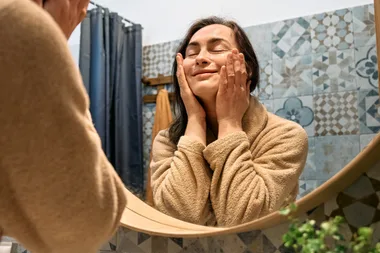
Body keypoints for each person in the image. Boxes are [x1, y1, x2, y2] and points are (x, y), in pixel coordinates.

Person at [150, 16, 309, 227]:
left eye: (217, 49)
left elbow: (242, 224)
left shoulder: (286, 135)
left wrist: (229, 123)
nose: (201, 58)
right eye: (192, 53)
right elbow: (181, 219)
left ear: (247, 69)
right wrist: (196, 120)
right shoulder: (167, 141)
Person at [0, 0, 127, 252]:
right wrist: (50, 36)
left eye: (217, 47)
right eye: (192, 51)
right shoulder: (16, 22)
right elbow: (86, 223)